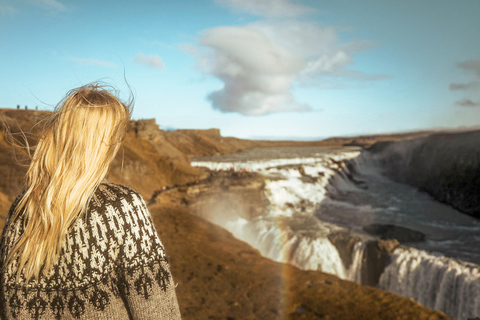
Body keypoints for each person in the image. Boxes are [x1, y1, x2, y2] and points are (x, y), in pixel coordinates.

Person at [0, 84, 182, 319]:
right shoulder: (123, 208)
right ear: (104, 144)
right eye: (117, 136)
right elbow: (158, 312)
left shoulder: (22, 209)